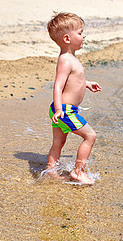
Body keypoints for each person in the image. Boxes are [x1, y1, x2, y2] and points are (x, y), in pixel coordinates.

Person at [46, 12, 102, 185]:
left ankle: (51, 170)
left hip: (62, 109)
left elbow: (74, 80)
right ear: (67, 38)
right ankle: (78, 171)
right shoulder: (66, 60)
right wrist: (59, 109)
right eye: (80, 32)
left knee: (59, 142)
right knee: (90, 136)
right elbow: (58, 86)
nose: (83, 36)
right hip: (65, 110)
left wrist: (87, 83)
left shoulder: (71, 58)